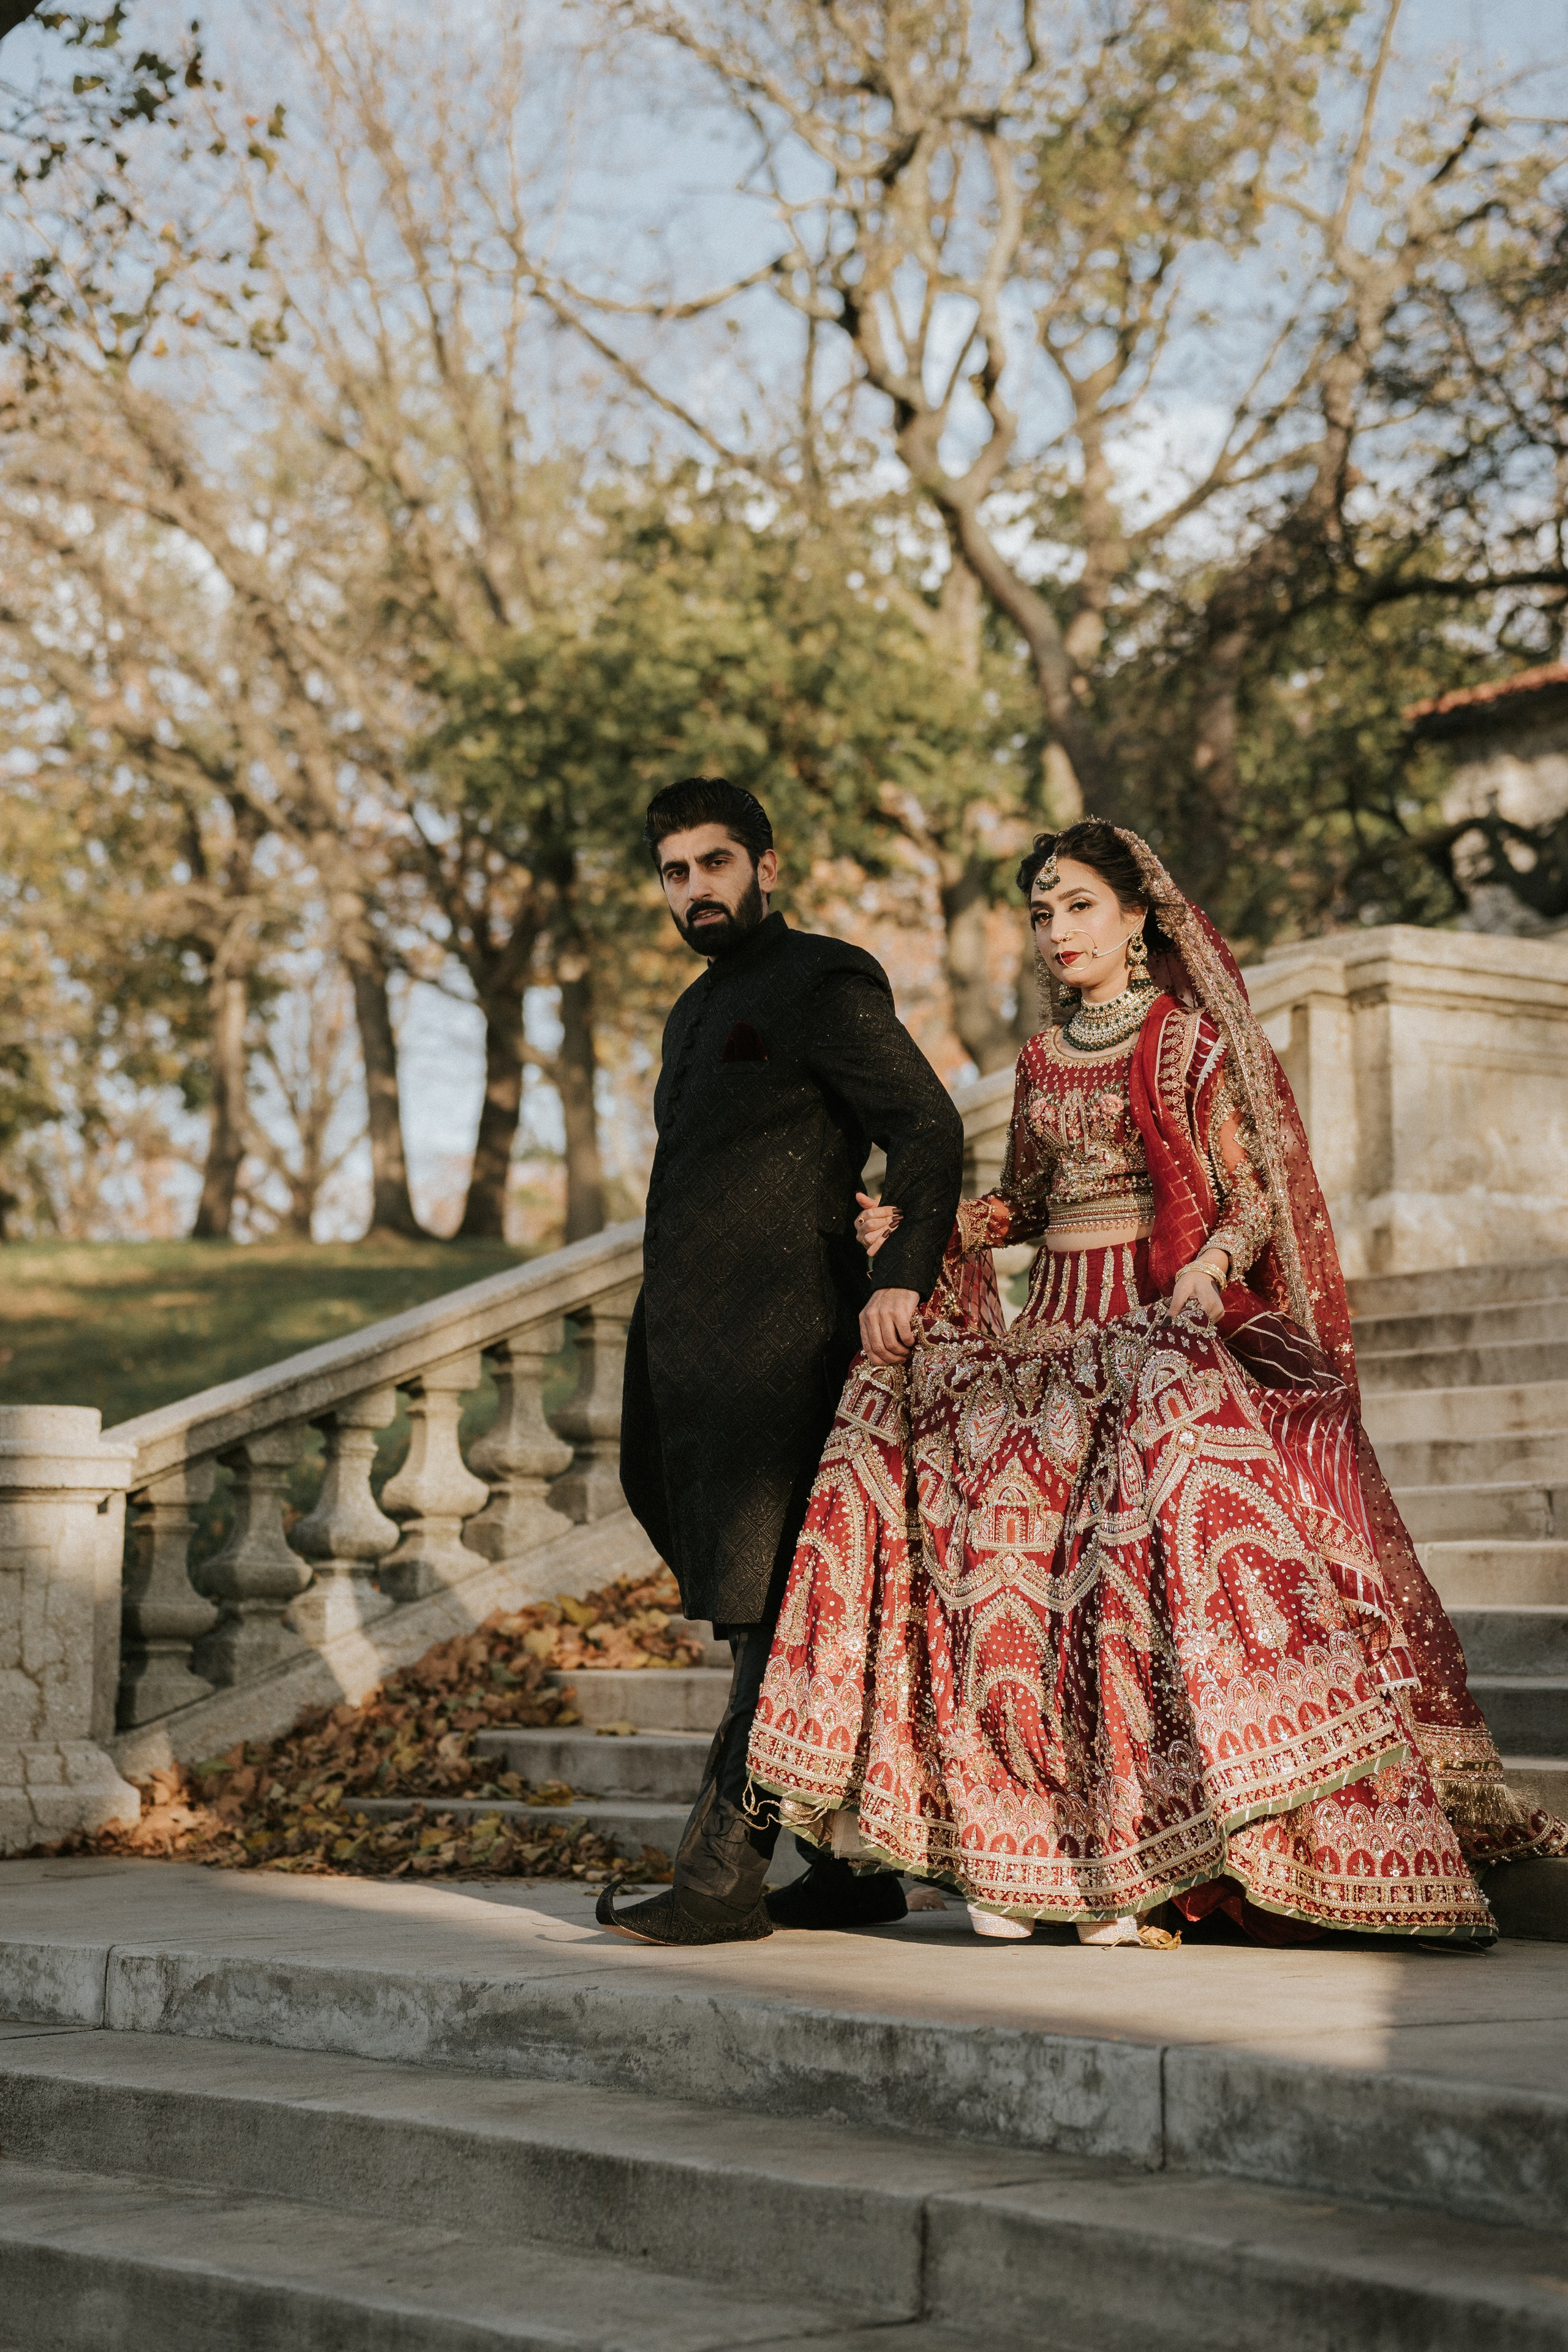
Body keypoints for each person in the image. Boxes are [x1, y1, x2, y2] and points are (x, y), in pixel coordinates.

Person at [748, 818, 1568, 1947]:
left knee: (1132, 1562)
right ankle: (1030, 1850)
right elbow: (1026, 1205)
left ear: (1137, 918)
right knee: (944, 1487)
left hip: (1153, 1326)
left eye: (1080, 906)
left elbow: (1249, 1198)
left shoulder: (1186, 1044)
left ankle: (1153, 1860)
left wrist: (1208, 1273)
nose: (1058, 930)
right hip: (1054, 1334)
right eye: (1043, 913)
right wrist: (924, 1228)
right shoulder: (1041, 1059)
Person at [598, 777, 965, 1946]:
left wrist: (902, 1270)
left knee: (772, 1612)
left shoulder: (823, 980)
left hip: (793, 1347)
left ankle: (720, 1880)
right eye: (674, 872)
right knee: (752, 1592)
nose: (694, 890)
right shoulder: (690, 1012)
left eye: (715, 863)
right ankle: (846, 1872)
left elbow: (927, 1124)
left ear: (766, 865)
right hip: (690, 1354)